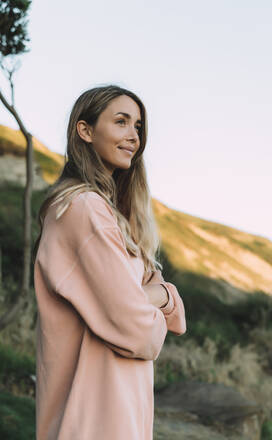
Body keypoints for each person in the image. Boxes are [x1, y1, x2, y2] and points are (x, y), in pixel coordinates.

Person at [32, 84, 187, 440]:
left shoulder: (112, 215)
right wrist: (160, 296)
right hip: (93, 415)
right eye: (121, 122)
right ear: (85, 131)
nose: (134, 135)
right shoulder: (83, 209)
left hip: (119, 408)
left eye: (137, 127)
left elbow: (169, 317)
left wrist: (148, 295)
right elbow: (140, 330)